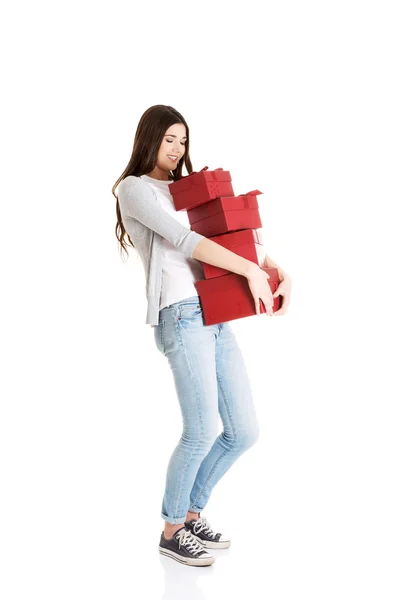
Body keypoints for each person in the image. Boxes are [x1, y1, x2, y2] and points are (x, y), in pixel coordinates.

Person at [112, 105, 292, 567]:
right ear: (148, 138)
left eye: (183, 140)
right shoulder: (134, 190)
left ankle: (190, 516)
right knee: (201, 430)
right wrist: (250, 270)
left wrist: (273, 268)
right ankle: (172, 530)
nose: (177, 149)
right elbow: (185, 241)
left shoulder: (187, 191)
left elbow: (229, 234)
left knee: (243, 430)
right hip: (180, 314)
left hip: (215, 312)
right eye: (169, 138)